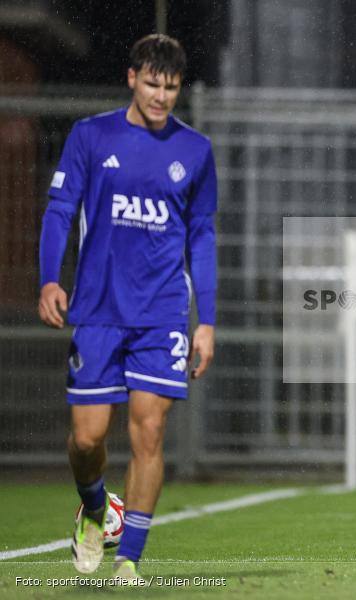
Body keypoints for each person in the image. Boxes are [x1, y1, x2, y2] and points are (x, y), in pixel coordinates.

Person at [37, 34, 217, 582]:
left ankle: (129, 559)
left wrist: (206, 321)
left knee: (150, 431)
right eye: (153, 84)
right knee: (86, 438)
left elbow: (203, 236)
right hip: (98, 309)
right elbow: (60, 209)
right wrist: (49, 279)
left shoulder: (195, 151)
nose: (162, 96)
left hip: (162, 313)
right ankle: (96, 509)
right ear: (132, 78)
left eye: (172, 87)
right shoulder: (92, 135)